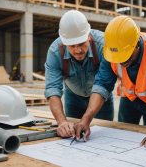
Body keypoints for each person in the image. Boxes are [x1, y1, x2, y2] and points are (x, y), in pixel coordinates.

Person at [68, 16, 146, 148]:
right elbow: (102, 84)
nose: (121, 61)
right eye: (117, 57)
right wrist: (86, 120)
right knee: (125, 142)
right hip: (129, 100)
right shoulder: (111, 51)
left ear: (136, 44)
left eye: (125, 56)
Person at [44, 10, 114, 138]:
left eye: (81, 43)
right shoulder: (55, 52)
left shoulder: (104, 46)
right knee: (72, 135)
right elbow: (52, 89)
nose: (78, 50)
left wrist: (86, 119)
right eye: (72, 46)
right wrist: (62, 122)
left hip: (102, 100)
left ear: (88, 35)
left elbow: (104, 84)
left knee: (105, 137)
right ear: (64, 42)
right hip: (73, 98)